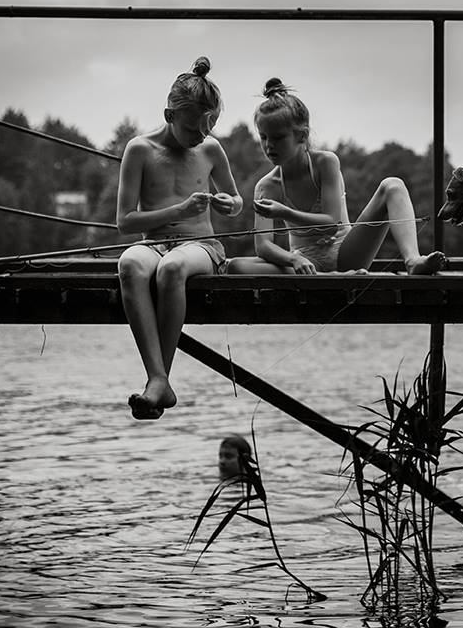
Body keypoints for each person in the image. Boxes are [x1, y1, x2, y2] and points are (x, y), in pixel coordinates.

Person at [117, 56, 242, 420]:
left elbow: (236, 202)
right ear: (169, 115)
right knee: (129, 263)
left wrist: (228, 204)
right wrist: (179, 211)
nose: (201, 136)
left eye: (210, 126)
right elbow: (125, 222)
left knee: (171, 269)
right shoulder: (139, 150)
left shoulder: (210, 149)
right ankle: (158, 380)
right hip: (153, 243)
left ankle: (159, 380)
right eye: (192, 129)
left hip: (201, 247)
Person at [225, 77, 446, 275]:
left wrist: (284, 212)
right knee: (235, 266)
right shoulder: (266, 186)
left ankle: (412, 260)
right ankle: (326, 277)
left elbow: (330, 223)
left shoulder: (325, 162)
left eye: (278, 138)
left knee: (393, 185)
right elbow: (263, 246)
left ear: (302, 136)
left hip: (347, 253)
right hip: (304, 264)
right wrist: (294, 259)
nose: (269, 145)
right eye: (263, 137)